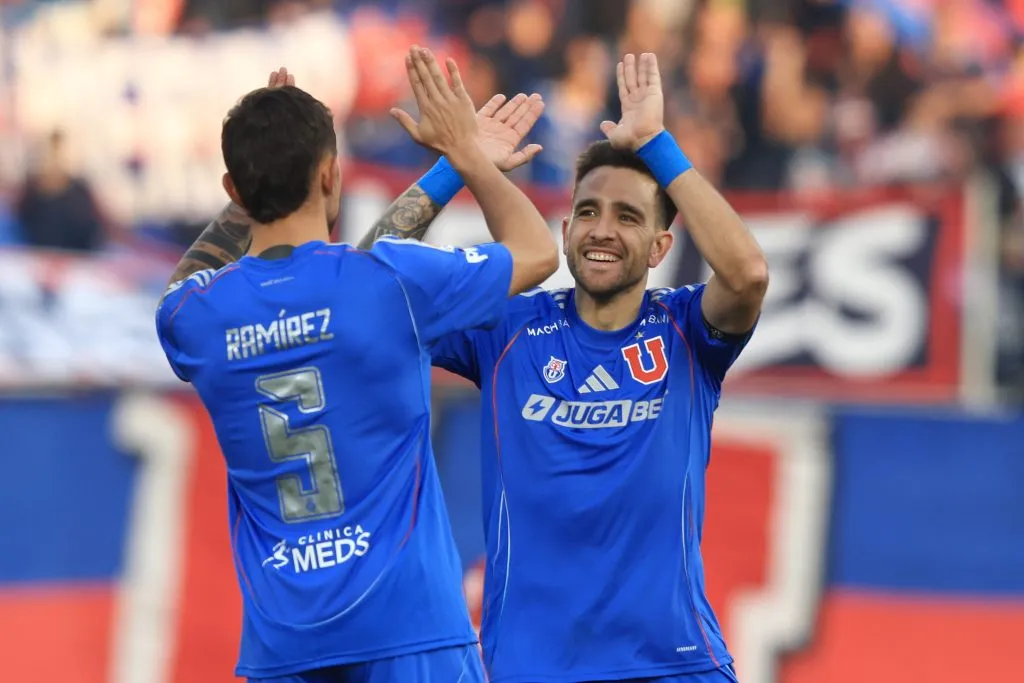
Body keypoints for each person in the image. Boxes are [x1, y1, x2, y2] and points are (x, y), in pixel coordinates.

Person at [361, 53, 769, 683]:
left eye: (628, 217)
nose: (601, 230)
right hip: (532, 670)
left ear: (663, 245)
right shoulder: (504, 329)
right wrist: (456, 168)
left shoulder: (689, 331)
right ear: (567, 224)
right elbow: (365, 291)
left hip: (673, 667)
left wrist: (657, 146)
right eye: (587, 211)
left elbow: (747, 274)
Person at [154, 50, 557, 683]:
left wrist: (261, 166)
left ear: (232, 190)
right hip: (410, 627)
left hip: (284, 641)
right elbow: (535, 251)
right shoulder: (387, 284)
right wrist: (465, 159)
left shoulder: (195, 318)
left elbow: (187, 285)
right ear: (331, 175)